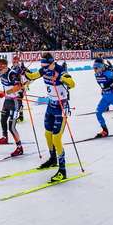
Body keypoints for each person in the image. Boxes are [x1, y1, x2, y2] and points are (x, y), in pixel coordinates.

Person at [25, 53, 76, 182]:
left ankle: (62, 171)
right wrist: (23, 70)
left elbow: (72, 83)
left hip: (61, 107)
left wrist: (62, 78)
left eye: (46, 66)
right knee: (47, 134)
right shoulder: (44, 69)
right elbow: (31, 76)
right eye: (42, 66)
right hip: (50, 106)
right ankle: (53, 159)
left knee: (56, 138)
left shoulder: (61, 71)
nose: (44, 69)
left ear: (53, 63)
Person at [0, 57, 25, 156]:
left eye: (1, 69)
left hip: (15, 101)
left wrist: (4, 93)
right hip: (7, 100)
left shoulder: (12, 74)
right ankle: (4, 138)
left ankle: (19, 148)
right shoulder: (1, 72)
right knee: (3, 119)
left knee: (12, 127)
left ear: (6, 67)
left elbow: (19, 86)